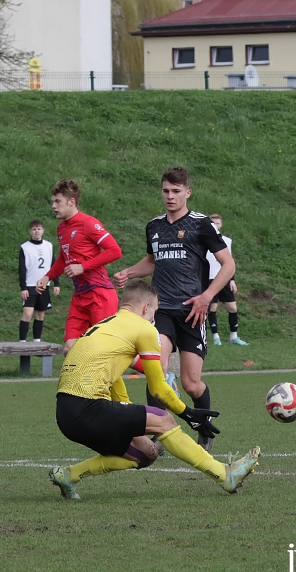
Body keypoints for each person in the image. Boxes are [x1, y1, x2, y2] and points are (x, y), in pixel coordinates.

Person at [47, 280, 260, 500]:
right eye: (155, 312)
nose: (154, 319)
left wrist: (129, 416)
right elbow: (158, 388)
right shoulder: (144, 328)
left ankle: (68, 475)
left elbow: (112, 378)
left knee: (146, 454)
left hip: (67, 413)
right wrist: (189, 413)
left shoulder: (105, 326)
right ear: (146, 308)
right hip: (86, 407)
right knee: (163, 419)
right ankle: (225, 475)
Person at [113, 167, 235, 452]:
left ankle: (205, 429)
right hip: (162, 310)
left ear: (187, 193)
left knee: (191, 384)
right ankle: (156, 432)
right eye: (166, 191)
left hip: (193, 311)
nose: (170, 196)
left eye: (176, 192)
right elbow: (153, 262)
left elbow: (228, 265)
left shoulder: (201, 224)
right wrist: (129, 272)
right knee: (157, 367)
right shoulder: (154, 226)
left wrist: (206, 297)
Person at [35, 179, 130, 403]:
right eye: (52, 201)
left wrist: (83, 266)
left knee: (105, 354)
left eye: (57, 201)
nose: (53, 206)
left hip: (100, 294)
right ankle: (90, 396)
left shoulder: (88, 223)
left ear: (72, 202)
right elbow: (63, 258)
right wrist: (48, 276)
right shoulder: (61, 229)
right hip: (80, 297)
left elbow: (115, 251)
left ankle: (123, 402)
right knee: (70, 347)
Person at [206, 214, 248, 346]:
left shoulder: (227, 241)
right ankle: (216, 337)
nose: (216, 225)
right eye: (213, 223)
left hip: (224, 278)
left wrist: (232, 279)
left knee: (232, 307)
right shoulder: (203, 240)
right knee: (212, 307)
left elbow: (229, 261)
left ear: (221, 225)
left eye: (218, 223)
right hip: (209, 278)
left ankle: (233, 337)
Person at [18, 220, 60, 342]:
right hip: (30, 285)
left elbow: (54, 266)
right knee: (27, 314)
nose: (37, 231)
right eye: (34, 229)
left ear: (43, 231)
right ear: (30, 231)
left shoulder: (48, 246)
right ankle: (22, 342)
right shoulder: (25, 247)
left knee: (41, 314)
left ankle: (37, 341)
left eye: (39, 229)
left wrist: (56, 283)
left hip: (44, 285)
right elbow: (22, 268)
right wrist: (23, 287)